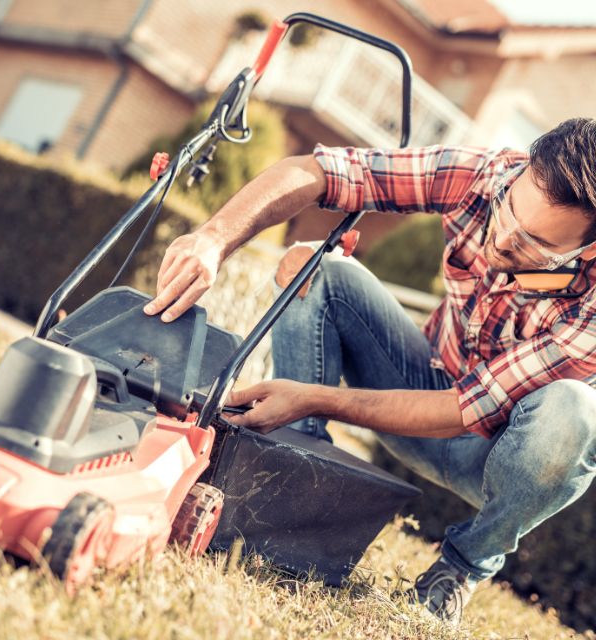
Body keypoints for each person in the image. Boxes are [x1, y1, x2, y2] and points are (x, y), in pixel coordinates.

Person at [144, 117, 596, 624]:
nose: (502, 239)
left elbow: (464, 410)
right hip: (420, 385)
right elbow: (317, 170)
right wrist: (214, 238)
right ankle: (290, 480)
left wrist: (316, 395)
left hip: (498, 457)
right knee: (309, 266)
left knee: (574, 411)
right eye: (508, 210)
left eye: (533, 242)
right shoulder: (484, 175)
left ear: (588, 249)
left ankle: (460, 570)